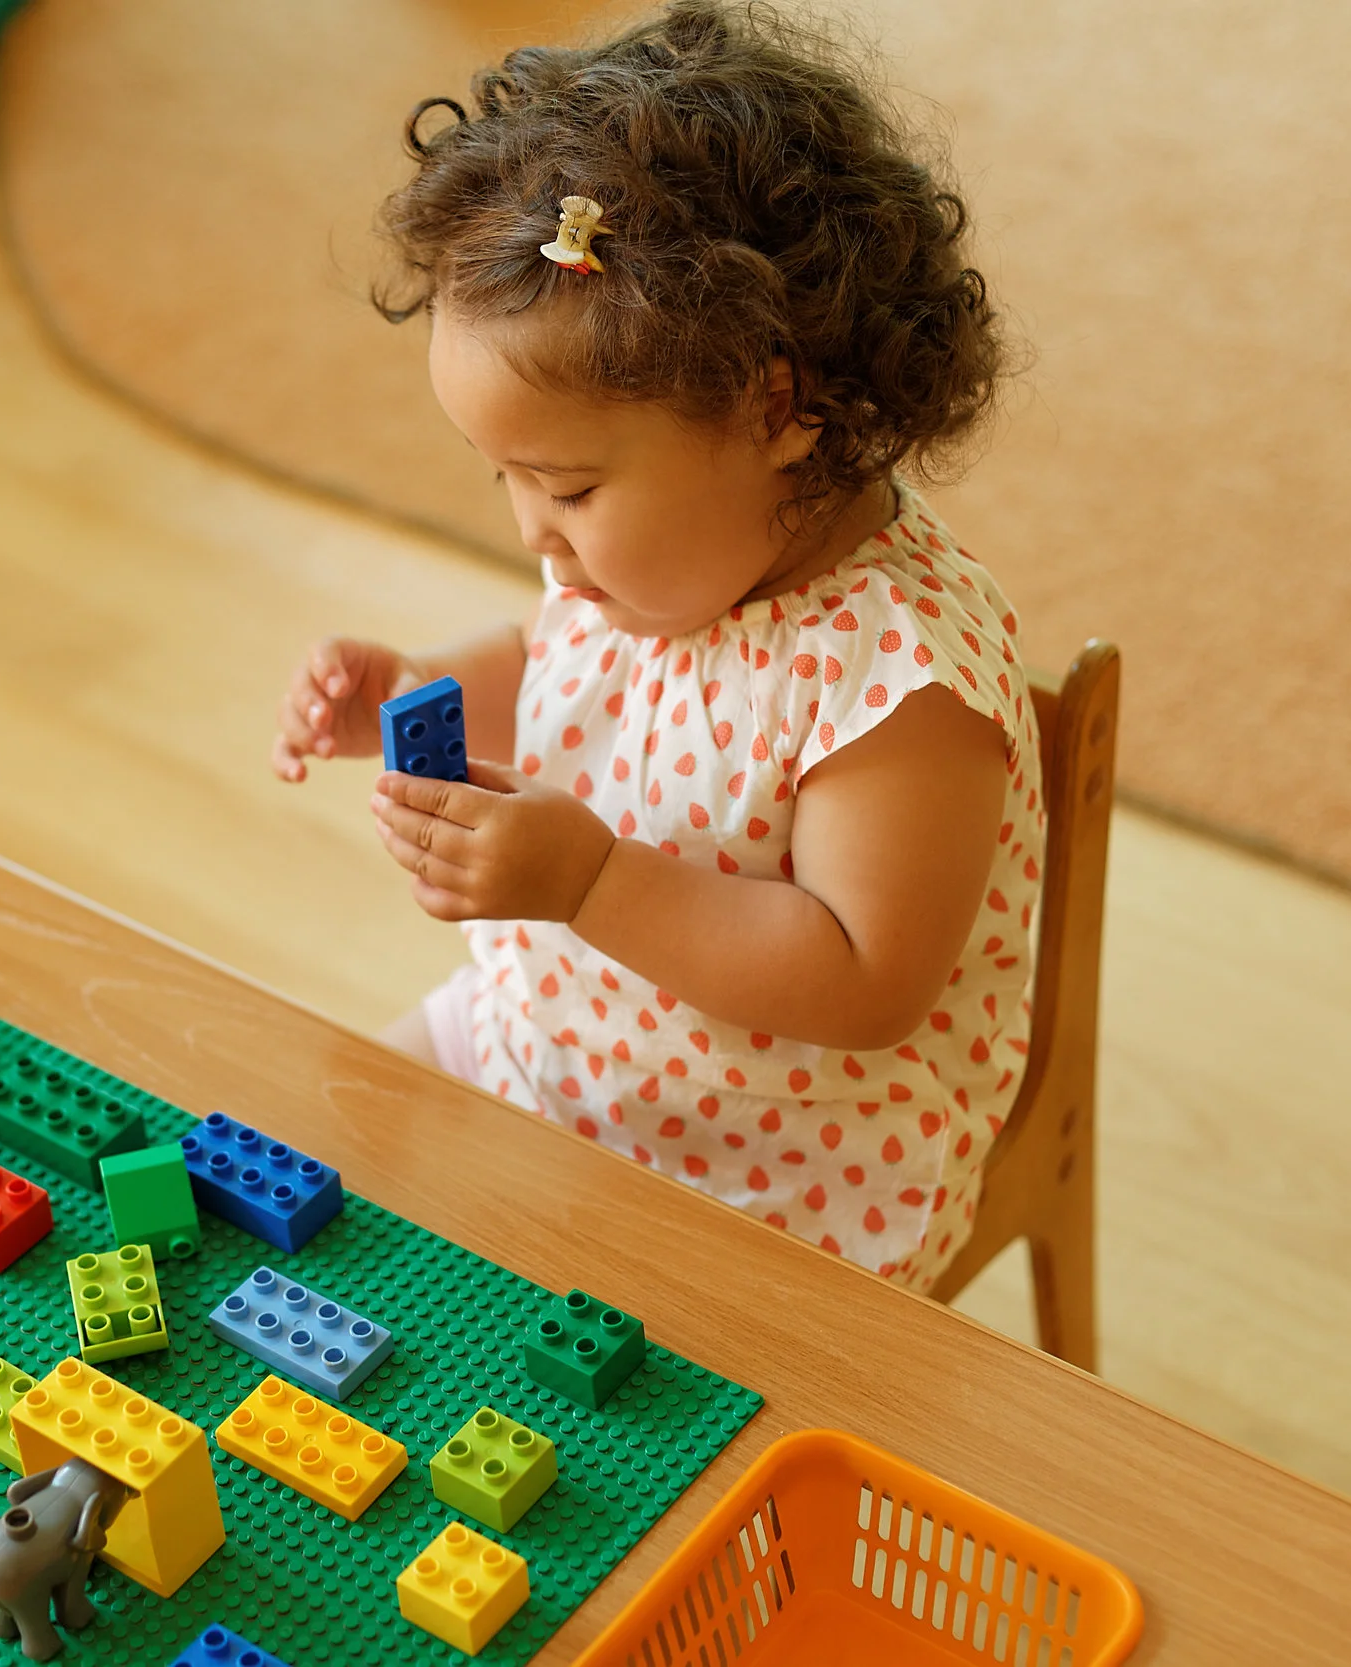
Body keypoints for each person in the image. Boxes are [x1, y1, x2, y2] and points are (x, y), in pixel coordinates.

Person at [271, 0, 1034, 1291]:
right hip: (536, 1044)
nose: (534, 532)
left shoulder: (900, 685)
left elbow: (865, 980)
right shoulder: (653, 562)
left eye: (568, 489)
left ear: (777, 410)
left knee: (541, 1380)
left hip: (771, 1172)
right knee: (302, 1166)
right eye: (507, 478)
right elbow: (554, 665)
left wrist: (590, 883)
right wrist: (408, 689)